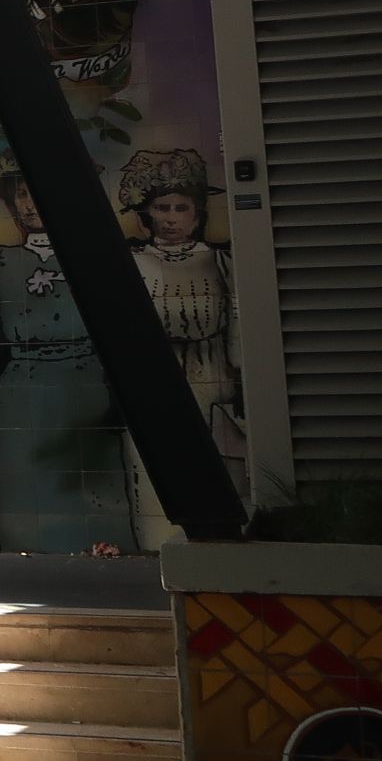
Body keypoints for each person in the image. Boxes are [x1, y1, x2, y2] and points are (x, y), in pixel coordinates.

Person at [0, 152, 135, 553]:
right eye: (22, 195)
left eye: (38, 194)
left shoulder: (93, 254)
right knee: (24, 480)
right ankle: (31, 562)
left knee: (93, 476)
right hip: (21, 389)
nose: (30, 204)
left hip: (85, 379)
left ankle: (103, 556)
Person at [120, 148, 243, 539]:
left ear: (196, 213)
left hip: (212, 375)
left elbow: (236, 322)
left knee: (218, 467)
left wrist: (239, 376)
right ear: (147, 213)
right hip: (152, 375)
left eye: (180, 207)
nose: (171, 218)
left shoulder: (220, 261)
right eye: (162, 207)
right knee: (153, 469)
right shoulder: (132, 262)